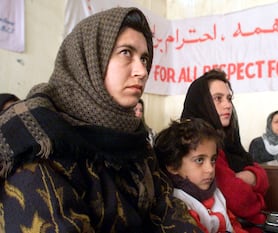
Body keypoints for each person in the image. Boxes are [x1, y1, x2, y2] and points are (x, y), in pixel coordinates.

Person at [0, 7, 201, 233]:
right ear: (89, 58)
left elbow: (166, 210)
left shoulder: (135, 139)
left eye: (144, 58)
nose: (142, 71)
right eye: (126, 52)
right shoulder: (37, 142)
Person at [181, 69, 269, 233]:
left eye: (229, 98)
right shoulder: (200, 144)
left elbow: (261, 173)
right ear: (202, 103)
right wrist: (260, 199)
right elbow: (241, 203)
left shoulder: (228, 139)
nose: (227, 104)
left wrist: (252, 176)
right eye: (218, 99)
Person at [155, 118, 247, 233]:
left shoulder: (215, 193)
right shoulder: (178, 204)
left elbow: (233, 225)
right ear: (173, 166)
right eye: (199, 160)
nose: (210, 169)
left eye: (213, 160)